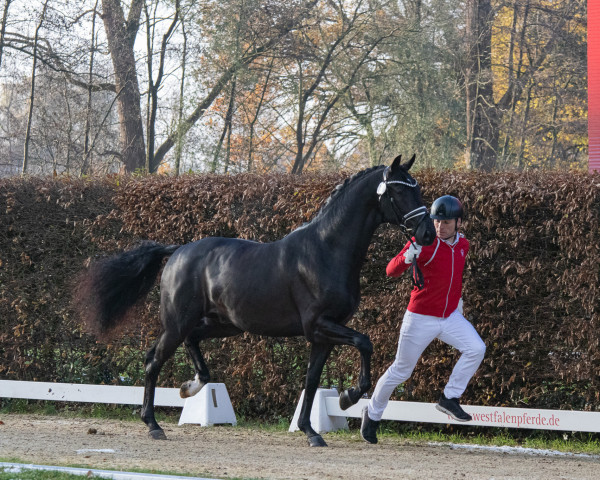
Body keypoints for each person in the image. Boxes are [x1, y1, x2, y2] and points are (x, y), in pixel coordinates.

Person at [360, 195, 486, 444]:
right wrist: (408, 257)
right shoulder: (424, 242)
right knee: (401, 371)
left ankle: (449, 398)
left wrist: (457, 305)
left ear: (458, 222)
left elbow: (454, 278)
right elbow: (390, 270)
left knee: (476, 348)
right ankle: (372, 414)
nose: (440, 227)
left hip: (449, 317)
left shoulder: (464, 245)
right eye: (436, 221)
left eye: (446, 222)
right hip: (419, 318)